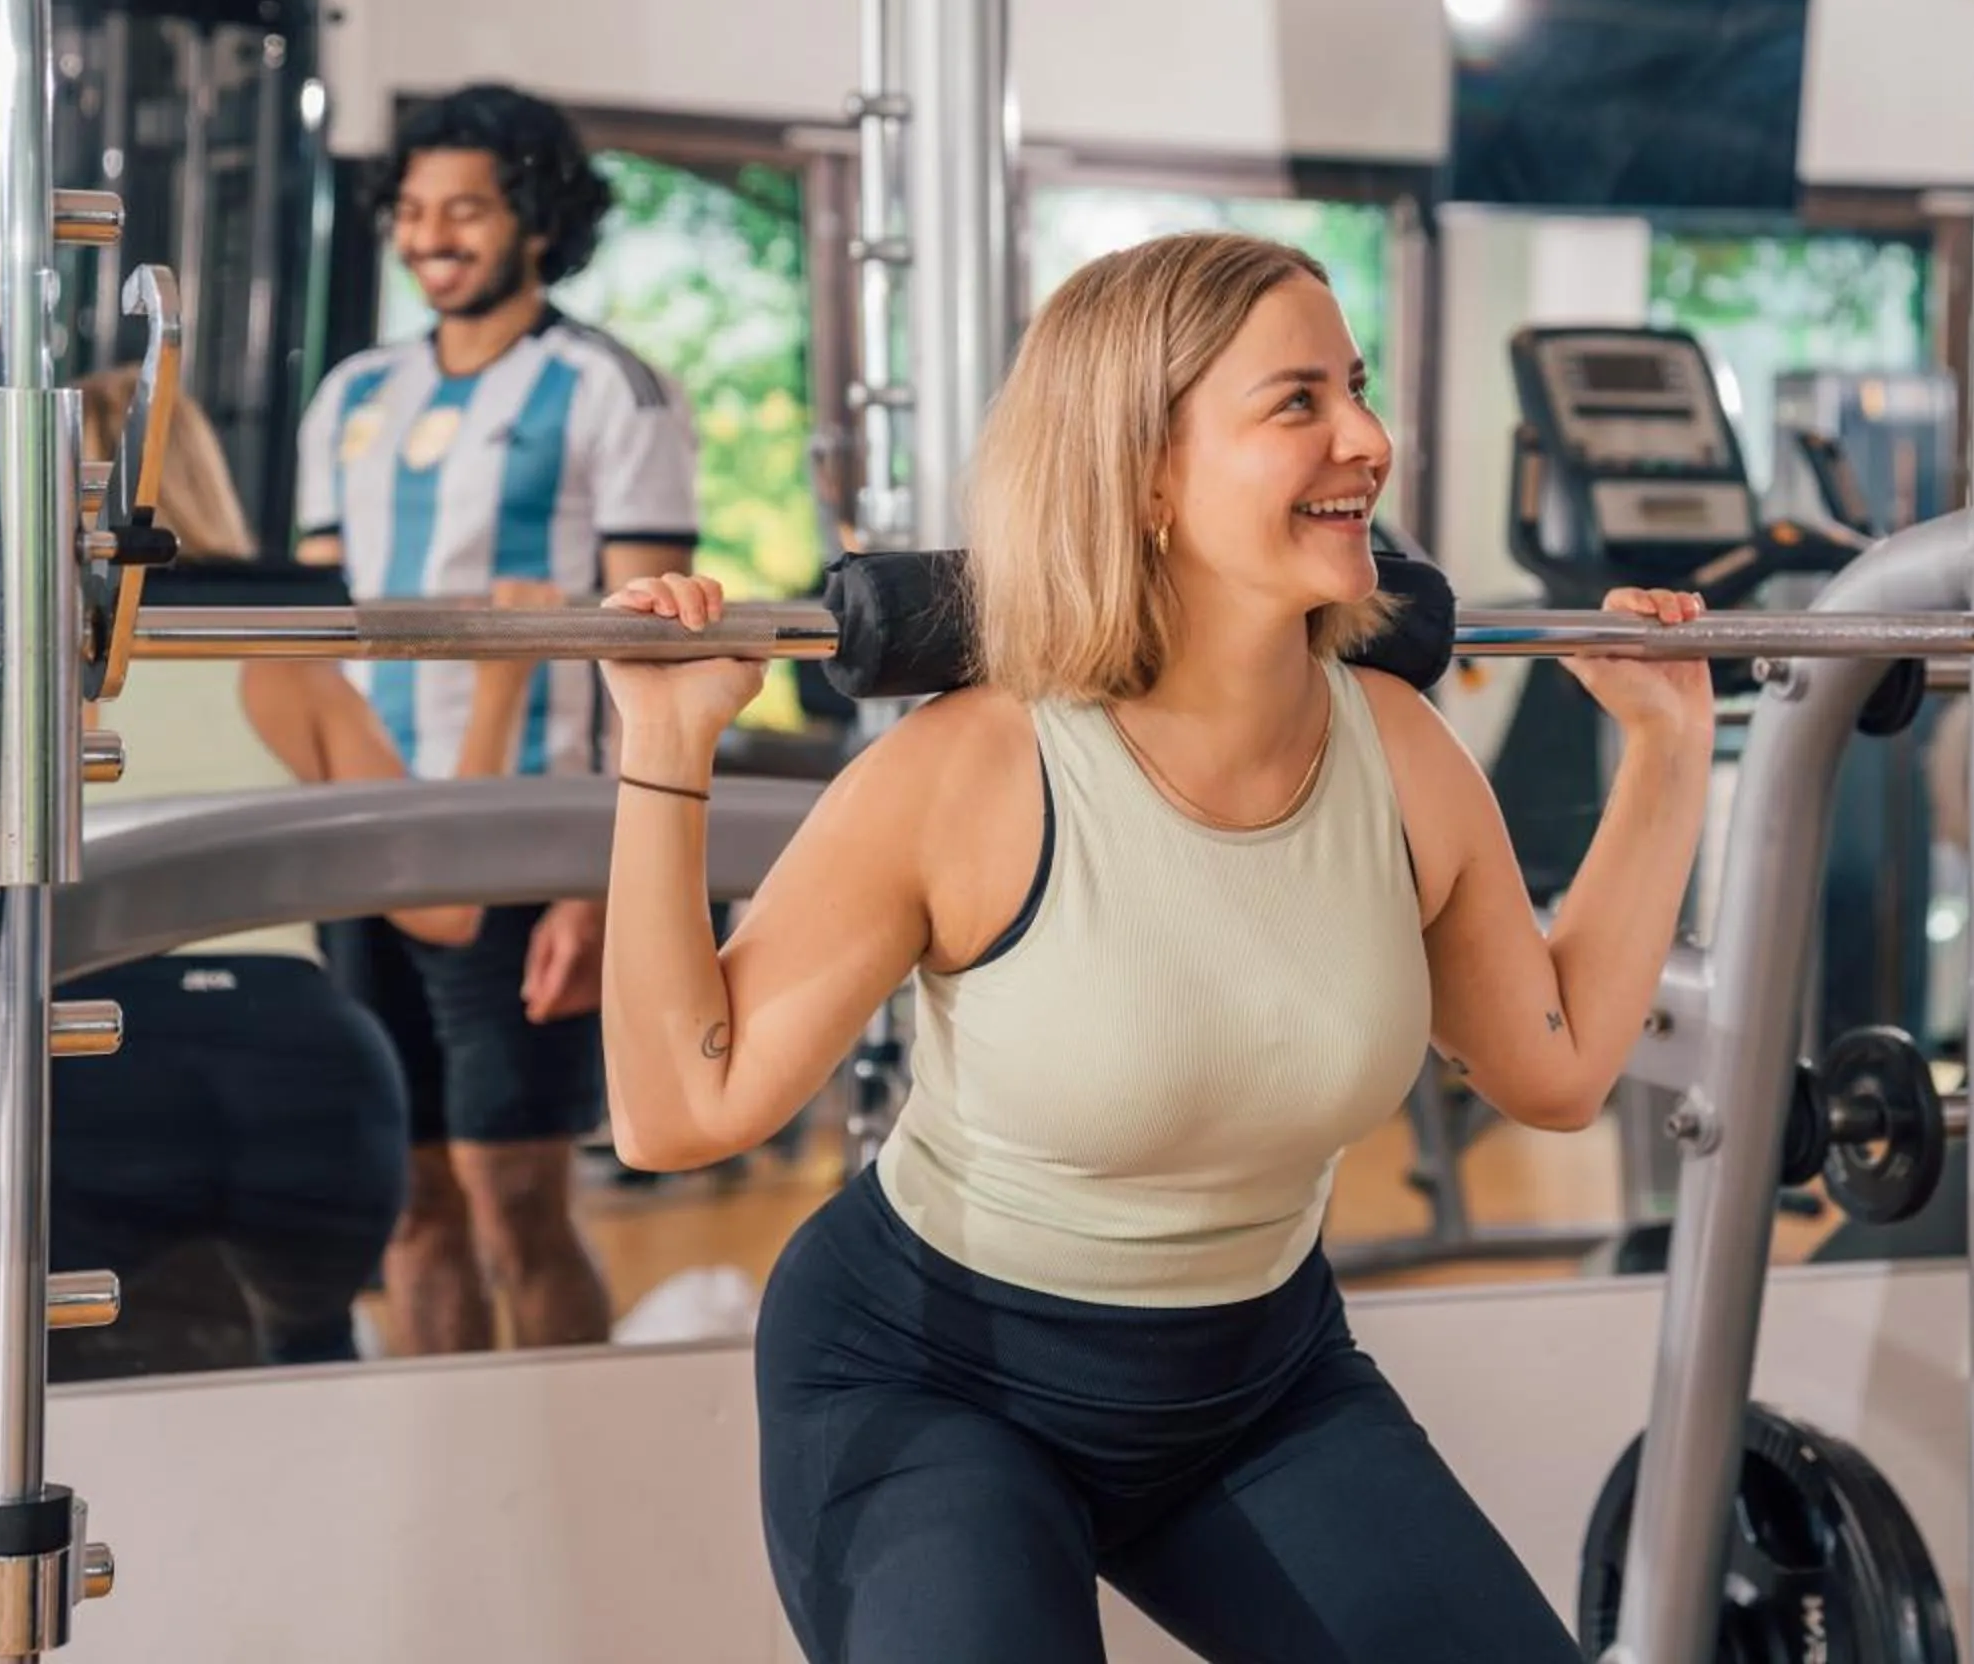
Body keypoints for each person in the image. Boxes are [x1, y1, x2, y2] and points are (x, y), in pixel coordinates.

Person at [590, 231, 1714, 1664]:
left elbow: (1551, 1068)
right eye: (1297, 402)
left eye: (1356, 390)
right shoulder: (975, 770)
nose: (1368, 440)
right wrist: (666, 751)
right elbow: (681, 1112)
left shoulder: (1401, 754)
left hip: (1259, 1387)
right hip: (934, 1385)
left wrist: (1670, 757)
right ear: (1148, 473)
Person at [294, 82, 701, 1354]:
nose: (432, 236)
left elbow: (657, 644)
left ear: (534, 217)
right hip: (370, 835)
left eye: (465, 209)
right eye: (413, 211)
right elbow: (312, 635)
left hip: (530, 842)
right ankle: (450, 1470)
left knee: (517, 1197)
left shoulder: (610, 389)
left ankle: (563, 1457)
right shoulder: (352, 394)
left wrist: (596, 879)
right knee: (405, 1205)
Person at [53, 370, 520, 1378]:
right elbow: (447, 907)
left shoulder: (19, 676)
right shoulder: (284, 666)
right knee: (307, 1378)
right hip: (308, 1068)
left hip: (98, 1052)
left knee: (73, 1402)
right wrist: (502, 685)